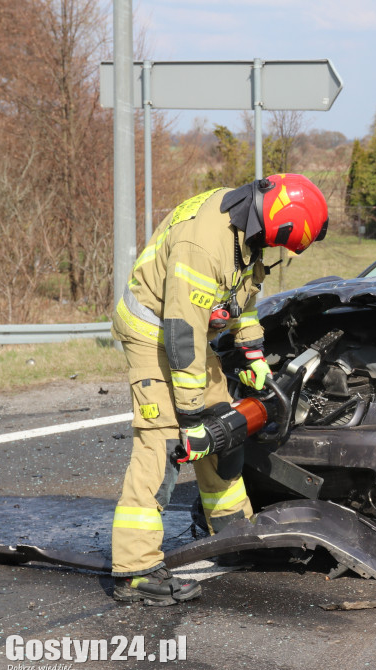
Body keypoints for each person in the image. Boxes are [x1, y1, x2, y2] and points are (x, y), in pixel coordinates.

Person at [109, 174, 329, 605]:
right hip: (152, 331)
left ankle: (234, 535)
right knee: (167, 441)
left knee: (224, 429)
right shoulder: (204, 244)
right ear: (279, 225)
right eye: (282, 244)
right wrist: (190, 416)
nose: (277, 252)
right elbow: (182, 332)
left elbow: (239, 300)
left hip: (186, 333)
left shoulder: (246, 231)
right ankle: (134, 569)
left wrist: (252, 354)